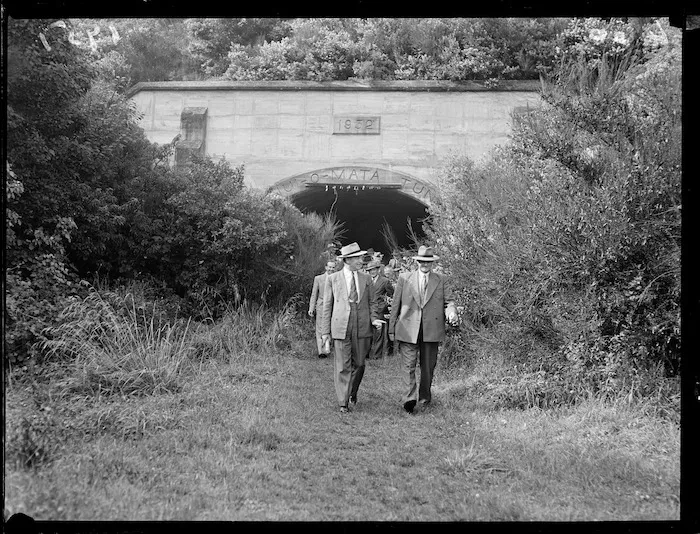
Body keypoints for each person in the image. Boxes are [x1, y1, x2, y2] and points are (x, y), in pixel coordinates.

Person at [388, 245, 458, 414]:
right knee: (408, 365)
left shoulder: (442, 279)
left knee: (428, 367)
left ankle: (425, 398)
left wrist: (452, 313)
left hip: (431, 330)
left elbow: (449, 302)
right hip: (407, 328)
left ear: (432, 263)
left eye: (428, 261)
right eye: (422, 261)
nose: (424, 264)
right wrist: (391, 329)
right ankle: (409, 399)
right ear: (417, 261)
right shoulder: (404, 278)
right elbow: (395, 305)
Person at [322, 242, 383, 413]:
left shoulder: (366, 279)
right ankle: (343, 402)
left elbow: (372, 303)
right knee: (343, 365)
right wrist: (325, 332)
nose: (361, 260)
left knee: (360, 364)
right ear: (347, 260)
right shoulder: (333, 279)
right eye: (357, 257)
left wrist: (374, 319)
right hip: (341, 326)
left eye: (360, 257)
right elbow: (327, 306)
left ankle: (351, 392)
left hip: (362, 326)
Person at [308, 260, 337, 358]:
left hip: (334, 306)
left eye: (333, 267)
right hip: (321, 306)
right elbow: (314, 294)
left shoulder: (337, 278)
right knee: (320, 328)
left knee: (332, 327)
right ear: (325, 267)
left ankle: (328, 347)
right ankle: (321, 351)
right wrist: (311, 308)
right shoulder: (318, 279)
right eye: (329, 267)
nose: (331, 269)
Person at [366, 259, 394, 360]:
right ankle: (366, 354)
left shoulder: (385, 281)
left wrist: (386, 304)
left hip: (379, 309)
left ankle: (376, 356)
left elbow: (392, 295)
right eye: (370, 270)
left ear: (378, 270)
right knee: (367, 332)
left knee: (379, 333)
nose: (372, 272)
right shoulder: (366, 280)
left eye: (374, 269)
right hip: (367, 309)